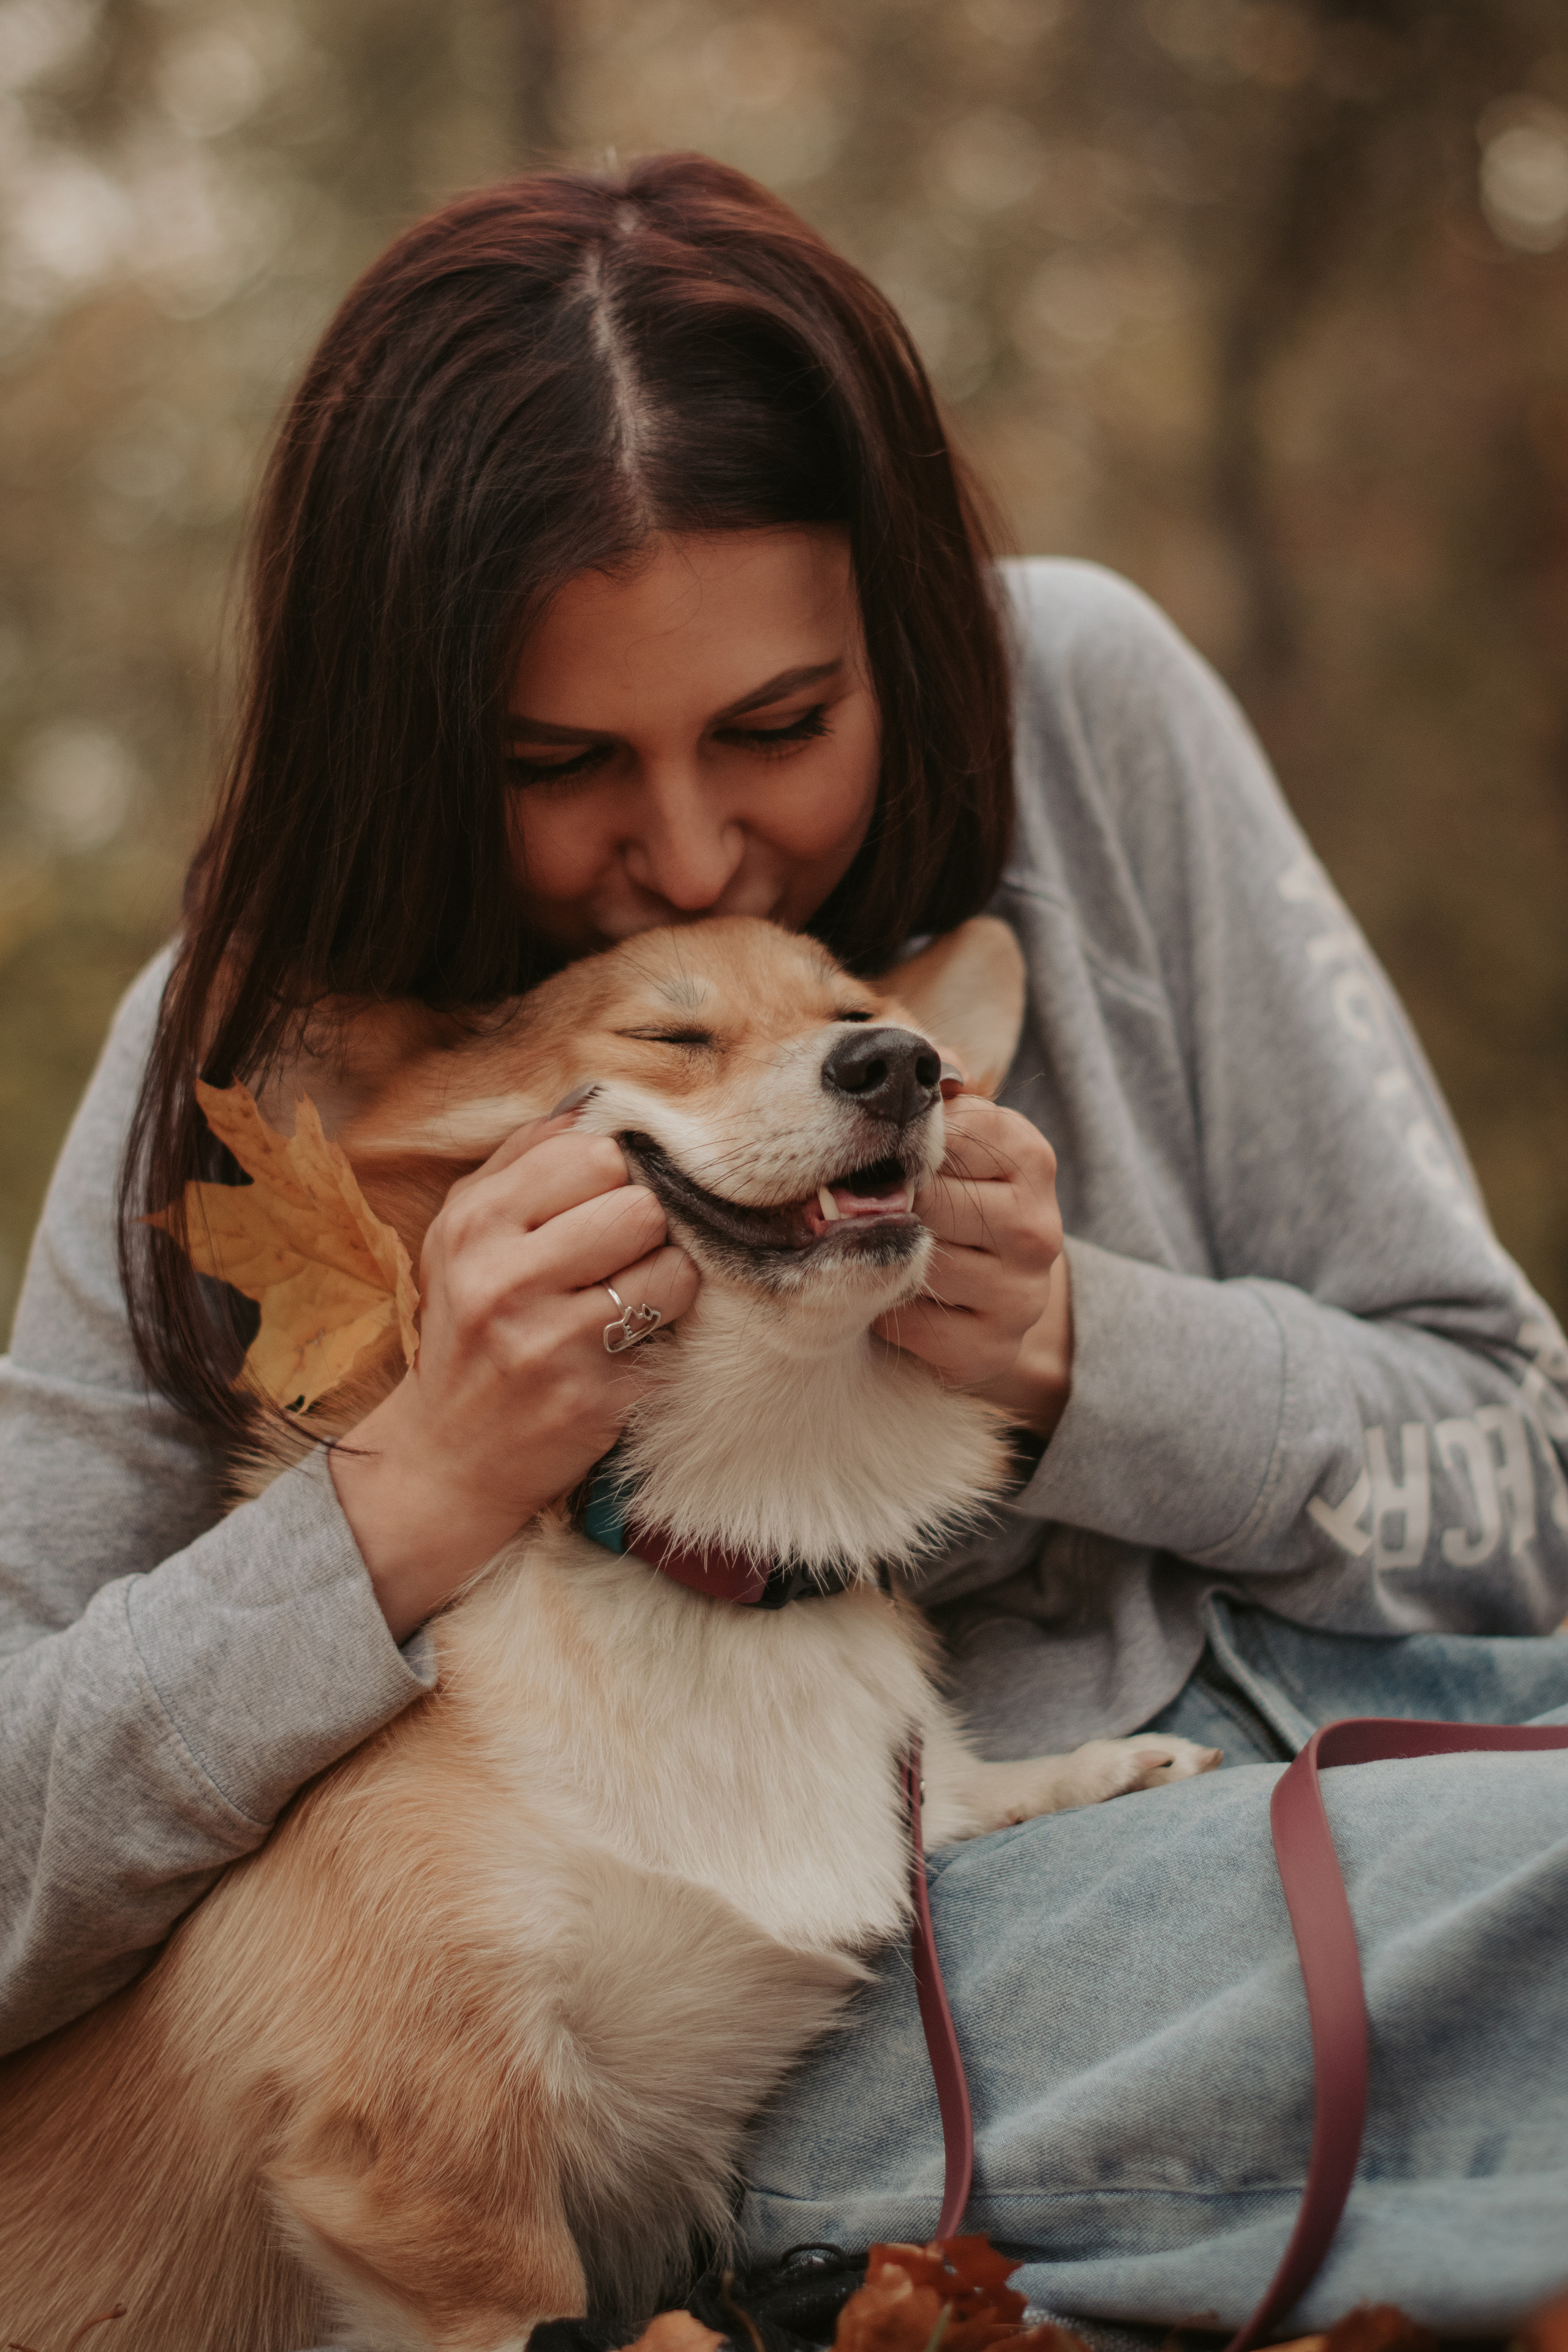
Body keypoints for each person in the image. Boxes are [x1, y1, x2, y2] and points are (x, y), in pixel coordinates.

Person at [2, 154, 1566, 2339]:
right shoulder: (232, 1051)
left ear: (901, 633)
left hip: (1357, 1719)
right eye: (559, 763)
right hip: (820, 1972)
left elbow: (1523, 1476)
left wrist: (1085, 1354)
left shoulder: (1091, 708)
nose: (692, 852)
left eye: (779, 729)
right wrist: (407, 1503)